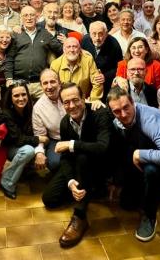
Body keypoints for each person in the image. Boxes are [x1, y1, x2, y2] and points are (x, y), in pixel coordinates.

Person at [107, 86, 160, 241]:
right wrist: (117, 180)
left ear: (133, 103)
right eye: (117, 111)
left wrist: (140, 154)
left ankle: (149, 216)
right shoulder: (117, 121)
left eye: (126, 107)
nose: (123, 114)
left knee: (151, 170)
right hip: (153, 150)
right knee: (128, 204)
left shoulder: (150, 118)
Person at [42, 83, 112, 248]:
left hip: (101, 165)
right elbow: (66, 158)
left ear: (84, 98)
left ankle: (80, 215)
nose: (72, 106)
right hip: (79, 167)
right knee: (49, 199)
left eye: (75, 100)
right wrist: (71, 182)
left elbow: (103, 147)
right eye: (66, 102)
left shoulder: (99, 113)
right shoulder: (65, 122)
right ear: (62, 104)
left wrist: (71, 144)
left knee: (82, 158)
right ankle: (87, 189)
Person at [5, 6, 63, 99]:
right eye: (26, 15)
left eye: (32, 15)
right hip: (19, 83)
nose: (29, 18)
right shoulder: (16, 35)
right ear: (21, 18)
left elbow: (61, 50)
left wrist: (66, 42)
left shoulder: (45, 34)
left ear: (37, 17)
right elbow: (9, 58)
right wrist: (9, 78)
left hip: (39, 84)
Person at [0, 82, 38, 199]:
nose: (21, 98)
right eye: (16, 96)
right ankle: (7, 182)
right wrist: (38, 139)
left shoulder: (32, 109)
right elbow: (18, 139)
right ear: (10, 98)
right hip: (11, 148)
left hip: (26, 143)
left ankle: (26, 170)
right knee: (28, 151)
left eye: (23, 94)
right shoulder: (6, 113)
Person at [32, 69, 66, 172]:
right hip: (56, 139)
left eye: (52, 81)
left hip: (77, 137)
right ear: (41, 86)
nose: (49, 87)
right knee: (54, 163)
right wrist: (39, 152)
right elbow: (39, 134)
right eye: (45, 83)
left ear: (59, 82)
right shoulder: (38, 107)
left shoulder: (68, 95)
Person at [50, 37, 104, 103]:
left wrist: (94, 100)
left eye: (74, 47)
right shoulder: (55, 64)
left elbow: (97, 82)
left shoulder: (88, 60)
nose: (72, 50)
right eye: (68, 47)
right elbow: (53, 87)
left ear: (79, 49)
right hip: (64, 102)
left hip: (84, 101)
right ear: (64, 50)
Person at [81, 21, 124, 97]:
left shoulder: (114, 44)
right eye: (94, 34)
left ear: (106, 33)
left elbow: (119, 67)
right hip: (88, 79)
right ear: (89, 33)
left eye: (100, 34)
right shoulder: (85, 40)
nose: (97, 38)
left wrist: (105, 76)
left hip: (106, 82)